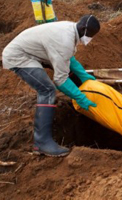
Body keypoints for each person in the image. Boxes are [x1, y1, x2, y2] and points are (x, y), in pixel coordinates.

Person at [2, 15, 100, 157]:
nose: (90, 39)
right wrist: (80, 98)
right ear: (84, 29)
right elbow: (60, 80)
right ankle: (42, 142)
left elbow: (68, 58)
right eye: (90, 35)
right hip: (19, 56)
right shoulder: (65, 40)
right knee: (47, 90)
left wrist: (83, 75)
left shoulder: (70, 29)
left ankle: (42, 142)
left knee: (49, 86)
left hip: (31, 51)